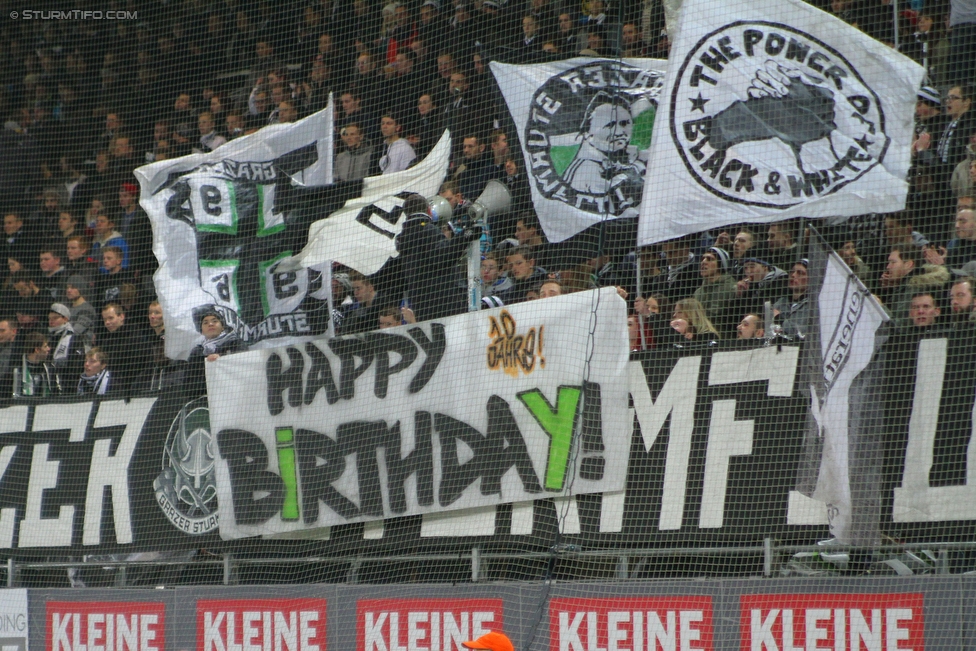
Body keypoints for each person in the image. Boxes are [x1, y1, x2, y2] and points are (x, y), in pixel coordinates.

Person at [562, 92, 644, 210]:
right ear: (588, 132)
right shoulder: (586, 169)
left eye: (625, 123)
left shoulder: (615, 160)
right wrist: (637, 167)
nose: (620, 132)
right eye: (610, 125)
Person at [185, 307, 242, 398]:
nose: (210, 324)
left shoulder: (235, 343)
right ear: (201, 330)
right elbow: (189, 385)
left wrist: (222, 359)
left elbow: (243, 368)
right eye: (205, 323)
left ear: (222, 326)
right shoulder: (196, 352)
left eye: (214, 321)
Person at [48, 303, 86, 381]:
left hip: (67, 381)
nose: (51, 321)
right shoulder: (49, 337)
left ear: (65, 319)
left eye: (55, 318)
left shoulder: (74, 338)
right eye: (49, 318)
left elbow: (77, 365)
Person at [773, 260, 810, 339]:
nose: (793, 275)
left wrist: (780, 319)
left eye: (800, 273)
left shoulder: (813, 306)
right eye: (792, 272)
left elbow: (804, 333)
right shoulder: (780, 302)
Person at [18, 332, 61, 397]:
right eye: (45, 346)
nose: (49, 349)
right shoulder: (18, 368)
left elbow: (56, 391)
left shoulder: (50, 368)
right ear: (37, 350)